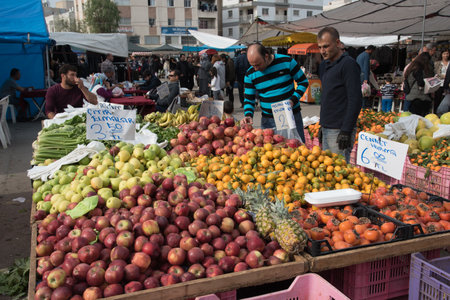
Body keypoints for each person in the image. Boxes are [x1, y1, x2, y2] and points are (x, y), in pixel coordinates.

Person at [241, 43, 309, 142]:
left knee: (297, 149)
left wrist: (293, 100)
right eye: (252, 65)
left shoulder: (287, 62)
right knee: (270, 152)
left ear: (266, 56)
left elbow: (303, 82)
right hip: (268, 120)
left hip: (291, 116)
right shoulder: (250, 74)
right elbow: (249, 98)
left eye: (258, 64)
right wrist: (248, 115)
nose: (256, 69)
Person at [317, 27, 362, 163]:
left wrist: (346, 130)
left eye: (326, 46)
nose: (322, 51)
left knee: (338, 172)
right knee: (328, 171)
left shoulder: (348, 65)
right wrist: (322, 125)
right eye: (320, 47)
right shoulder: (325, 65)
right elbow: (329, 97)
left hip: (339, 129)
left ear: (337, 43)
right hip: (327, 127)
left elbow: (355, 99)